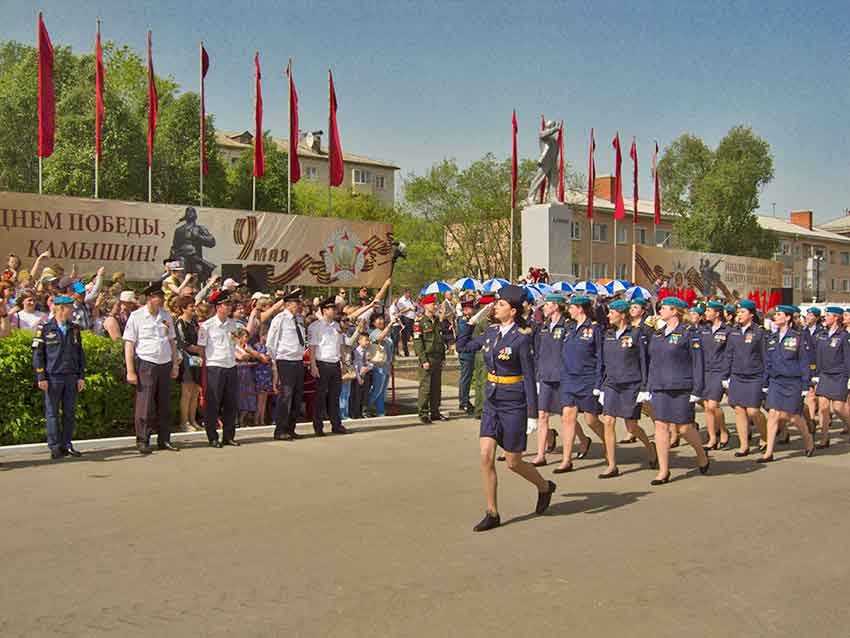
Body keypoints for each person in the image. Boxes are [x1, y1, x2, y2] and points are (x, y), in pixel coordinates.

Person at [456, 285, 556, 532]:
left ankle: (544, 486)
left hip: (514, 403)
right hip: (492, 401)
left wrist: (532, 414)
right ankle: (492, 512)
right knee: (485, 457)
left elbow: (529, 376)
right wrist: (472, 319)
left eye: (500, 304)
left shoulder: (522, 338)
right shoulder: (490, 333)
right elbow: (463, 346)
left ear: (512, 311)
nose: (494, 307)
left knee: (513, 463)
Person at [646, 297, 710, 484]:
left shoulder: (689, 332)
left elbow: (698, 362)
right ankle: (664, 470)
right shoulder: (658, 334)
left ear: (675, 311)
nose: (660, 311)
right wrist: (649, 385)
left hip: (682, 386)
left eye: (664, 308)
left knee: (684, 428)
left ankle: (701, 453)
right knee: (660, 426)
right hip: (660, 386)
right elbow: (653, 362)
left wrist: (697, 389)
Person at [599, 299, 657, 477]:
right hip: (611, 384)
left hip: (631, 384)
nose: (608, 315)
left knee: (631, 427)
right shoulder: (608, 334)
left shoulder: (637, 334)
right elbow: (603, 362)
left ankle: (650, 447)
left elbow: (644, 361)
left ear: (622, 314)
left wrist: (644, 387)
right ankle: (612, 465)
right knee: (608, 422)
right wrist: (600, 385)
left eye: (612, 312)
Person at [123, 281, 180, 454]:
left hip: (164, 362)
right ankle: (143, 439)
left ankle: (164, 439)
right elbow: (129, 344)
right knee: (145, 404)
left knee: (164, 404)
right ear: (149, 298)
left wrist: (175, 363)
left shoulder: (166, 316)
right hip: (146, 362)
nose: (161, 300)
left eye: (162, 297)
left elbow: (171, 341)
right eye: (158, 297)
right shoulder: (137, 316)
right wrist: (130, 370)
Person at [759, 305, 815, 462]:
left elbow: (804, 362)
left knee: (793, 417)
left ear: (788, 317)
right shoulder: (771, 338)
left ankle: (808, 438)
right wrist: (765, 382)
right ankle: (769, 452)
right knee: (773, 415)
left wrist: (805, 385)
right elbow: (767, 363)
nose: (775, 317)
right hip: (776, 381)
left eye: (779, 314)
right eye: (775, 315)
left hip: (793, 382)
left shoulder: (797, 337)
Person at [556, 295, 605, 473]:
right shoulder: (569, 327)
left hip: (588, 379)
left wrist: (599, 383)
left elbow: (600, 357)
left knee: (591, 420)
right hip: (569, 379)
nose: (569, 310)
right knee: (567, 417)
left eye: (572, 307)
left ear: (581, 309)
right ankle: (566, 459)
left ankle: (608, 443)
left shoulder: (594, 329)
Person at [32, 295, 85, 460]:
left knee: (69, 412)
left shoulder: (74, 329)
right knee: (52, 413)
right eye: (70, 307)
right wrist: (41, 376)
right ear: (61, 308)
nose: (72, 311)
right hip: (53, 377)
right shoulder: (45, 328)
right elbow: (38, 354)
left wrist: (80, 376)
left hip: (71, 376)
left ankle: (67, 444)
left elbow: (80, 354)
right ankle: (55, 447)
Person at [724, 300, 768, 457]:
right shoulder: (733, 332)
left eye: (742, 312)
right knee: (739, 410)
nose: (739, 315)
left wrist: (766, 379)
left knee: (753, 411)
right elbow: (729, 354)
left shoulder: (759, 332)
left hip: (754, 376)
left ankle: (765, 436)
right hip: (737, 375)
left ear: (751, 314)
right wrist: (725, 376)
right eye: (738, 312)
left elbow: (765, 357)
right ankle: (744, 445)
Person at [198, 290, 240, 446]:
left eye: (231, 304)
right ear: (218, 306)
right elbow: (202, 348)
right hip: (215, 367)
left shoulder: (233, 324)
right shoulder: (207, 326)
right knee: (213, 403)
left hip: (231, 365)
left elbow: (235, 343)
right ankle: (213, 437)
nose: (230, 307)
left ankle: (228, 436)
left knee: (230, 403)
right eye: (226, 304)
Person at [530, 292, 566, 466]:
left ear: (556, 306)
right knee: (542, 415)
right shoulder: (543, 327)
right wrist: (538, 375)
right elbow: (538, 352)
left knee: (566, 417)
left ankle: (581, 440)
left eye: (547, 304)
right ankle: (540, 454)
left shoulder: (567, 326)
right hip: (545, 376)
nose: (544, 307)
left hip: (562, 377)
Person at [267, 290, 306, 441]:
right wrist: (274, 362)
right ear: (288, 304)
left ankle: (291, 428)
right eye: (297, 303)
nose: (299, 305)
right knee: (286, 396)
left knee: (297, 396)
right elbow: (271, 342)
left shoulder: (298, 319)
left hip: (298, 360)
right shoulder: (280, 319)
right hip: (285, 361)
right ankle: (280, 430)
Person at [811, 306, 850, 448]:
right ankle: (824, 438)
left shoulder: (844, 336)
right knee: (823, 407)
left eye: (828, 316)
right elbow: (817, 355)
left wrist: (847, 377)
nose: (825, 318)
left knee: (839, 408)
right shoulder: (822, 334)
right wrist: (815, 374)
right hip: (824, 375)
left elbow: (848, 358)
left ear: (836, 318)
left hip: (839, 375)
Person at [308, 297, 347, 435]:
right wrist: (313, 366)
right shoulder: (315, 326)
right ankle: (318, 426)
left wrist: (344, 362)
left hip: (335, 363)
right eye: (332, 308)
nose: (335, 310)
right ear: (324, 310)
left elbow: (340, 345)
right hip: (322, 363)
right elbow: (312, 347)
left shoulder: (336, 326)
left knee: (335, 396)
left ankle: (336, 424)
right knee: (320, 397)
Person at [698, 300, 732, 449]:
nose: (706, 313)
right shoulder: (703, 330)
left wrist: (727, 373)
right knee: (707, 406)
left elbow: (730, 353)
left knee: (713, 405)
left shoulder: (727, 331)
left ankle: (723, 431)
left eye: (709, 311)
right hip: (705, 371)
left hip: (719, 371)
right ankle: (712, 438)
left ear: (717, 313)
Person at [414, 294, 448, 423]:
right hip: (427, 357)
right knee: (426, 387)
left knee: (436, 387)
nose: (435, 306)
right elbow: (418, 343)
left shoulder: (438, 321)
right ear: (425, 305)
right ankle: (423, 413)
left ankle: (435, 411)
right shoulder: (420, 322)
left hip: (437, 357)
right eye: (433, 304)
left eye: (435, 304)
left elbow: (441, 340)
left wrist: (443, 357)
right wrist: (423, 360)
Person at [174, 296, 204, 432]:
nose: (194, 308)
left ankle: (193, 420)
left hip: (197, 360)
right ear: (183, 308)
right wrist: (198, 349)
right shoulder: (180, 323)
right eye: (191, 306)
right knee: (186, 392)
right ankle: (184, 422)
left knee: (195, 391)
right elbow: (182, 343)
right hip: (186, 360)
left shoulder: (193, 322)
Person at [367, 311, 396, 417]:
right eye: (377, 319)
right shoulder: (374, 332)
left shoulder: (387, 332)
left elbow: (391, 346)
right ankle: (366, 407)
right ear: (373, 323)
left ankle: (380, 410)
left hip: (387, 365)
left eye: (382, 319)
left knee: (382, 391)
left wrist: (393, 358)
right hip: (378, 365)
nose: (380, 321)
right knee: (377, 389)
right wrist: (390, 325)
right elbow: (379, 339)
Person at [801, 307, 823, 432]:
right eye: (807, 315)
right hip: (807, 366)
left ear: (817, 317)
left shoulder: (821, 332)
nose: (808, 318)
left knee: (819, 395)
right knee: (811, 394)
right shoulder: (803, 331)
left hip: (819, 366)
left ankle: (823, 416)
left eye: (811, 316)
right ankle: (812, 420)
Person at [457, 300, 477, 414]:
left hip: (469, 352)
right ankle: (464, 401)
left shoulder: (468, 320)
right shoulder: (463, 321)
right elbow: (464, 334)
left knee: (467, 378)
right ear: (465, 310)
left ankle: (464, 400)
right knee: (465, 378)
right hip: (465, 352)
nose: (472, 310)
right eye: (470, 308)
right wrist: (471, 324)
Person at [395, 288, 416, 357]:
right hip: (405, 319)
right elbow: (400, 311)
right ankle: (406, 352)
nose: (409, 294)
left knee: (415, 336)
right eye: (408, 293)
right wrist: (409, 309)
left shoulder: (410, 300)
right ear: (405, 293)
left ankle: (417, 351)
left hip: (412, 319)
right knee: (405, 337)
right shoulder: (401, 301)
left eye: (410, 293)